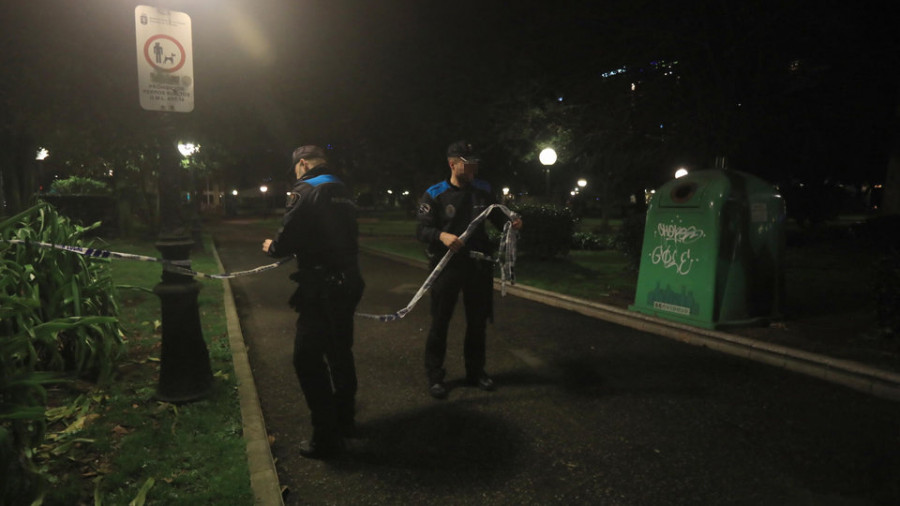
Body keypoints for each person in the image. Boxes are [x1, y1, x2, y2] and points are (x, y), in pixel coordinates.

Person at [262, 145, 365, 459]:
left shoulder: (305, 189)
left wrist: (271, 246)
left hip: (321, 287)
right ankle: (346, 420)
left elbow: (288, 238)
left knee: (306, 359)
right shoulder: (343, 191)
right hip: (349, 281)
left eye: (296, 169)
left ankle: (325, 435)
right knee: (339, 352)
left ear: (302, 164)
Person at [416, 140, 523, 399]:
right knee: (440, 322)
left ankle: (476, 372)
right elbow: (421, 229)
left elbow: (497, 219)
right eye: (468, 162)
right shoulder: (435, 193)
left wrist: (512, 222)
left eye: (475, 161)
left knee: (477, 323)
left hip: (478, 265)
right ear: (453, 164)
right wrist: (441, 235)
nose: (474, 166)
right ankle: (435, 375)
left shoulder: (484, 190)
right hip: (447, 266)